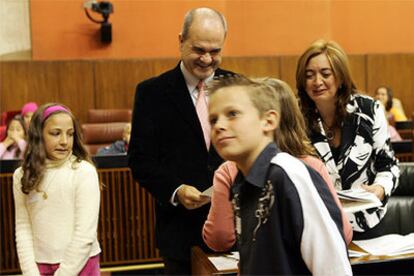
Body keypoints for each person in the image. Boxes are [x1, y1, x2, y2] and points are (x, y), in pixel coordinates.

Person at [207, 75, 352, 275]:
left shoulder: (289, 174)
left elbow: (333, 268)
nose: (219, 125)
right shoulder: (241, 183)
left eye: (232, 114)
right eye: (213, 119)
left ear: (269, 120)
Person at [128, 7, 234, 274]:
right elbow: (140, 160)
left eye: (215, 51)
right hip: (180, 233)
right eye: (199, 49)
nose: (208, 59)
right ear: (181, 41)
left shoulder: (238, 87)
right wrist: (175, 190)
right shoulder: (152, 93)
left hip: (235, 229)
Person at [296, 39, 400, 240]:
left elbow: (388, 165)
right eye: (309, 76)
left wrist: (379, 189)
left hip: (366, 222)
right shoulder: (296, 116)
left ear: (341, 77)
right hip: (317, 226)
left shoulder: (369, 110)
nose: (317, 82)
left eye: (326, 74)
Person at [13, 103, 101, 276]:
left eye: (70, 134)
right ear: (39, 135)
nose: (64, 141)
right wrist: (30, 272)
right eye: (55, 133)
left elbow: (85, 234)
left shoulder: (84, 172)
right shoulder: (21, 175)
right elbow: (23, 227)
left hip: (81, 264)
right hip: (39, 266)